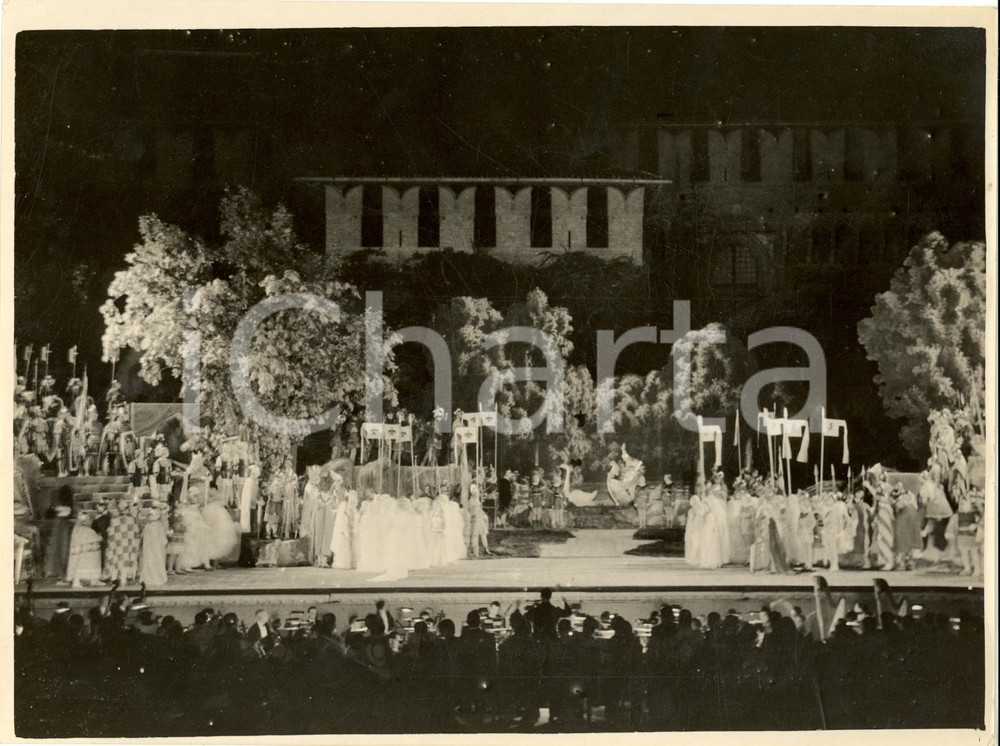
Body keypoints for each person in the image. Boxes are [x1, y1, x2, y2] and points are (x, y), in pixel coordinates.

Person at [140, 504, 169, 587]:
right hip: (149, 548)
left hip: (155, 548)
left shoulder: (157, 525)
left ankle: (156, 578)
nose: (150, 516)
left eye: (152, 514)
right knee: (150, 561)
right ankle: (150, 578)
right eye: (150, 514)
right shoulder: (149, 525)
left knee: (155, 561)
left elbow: (162, 539)